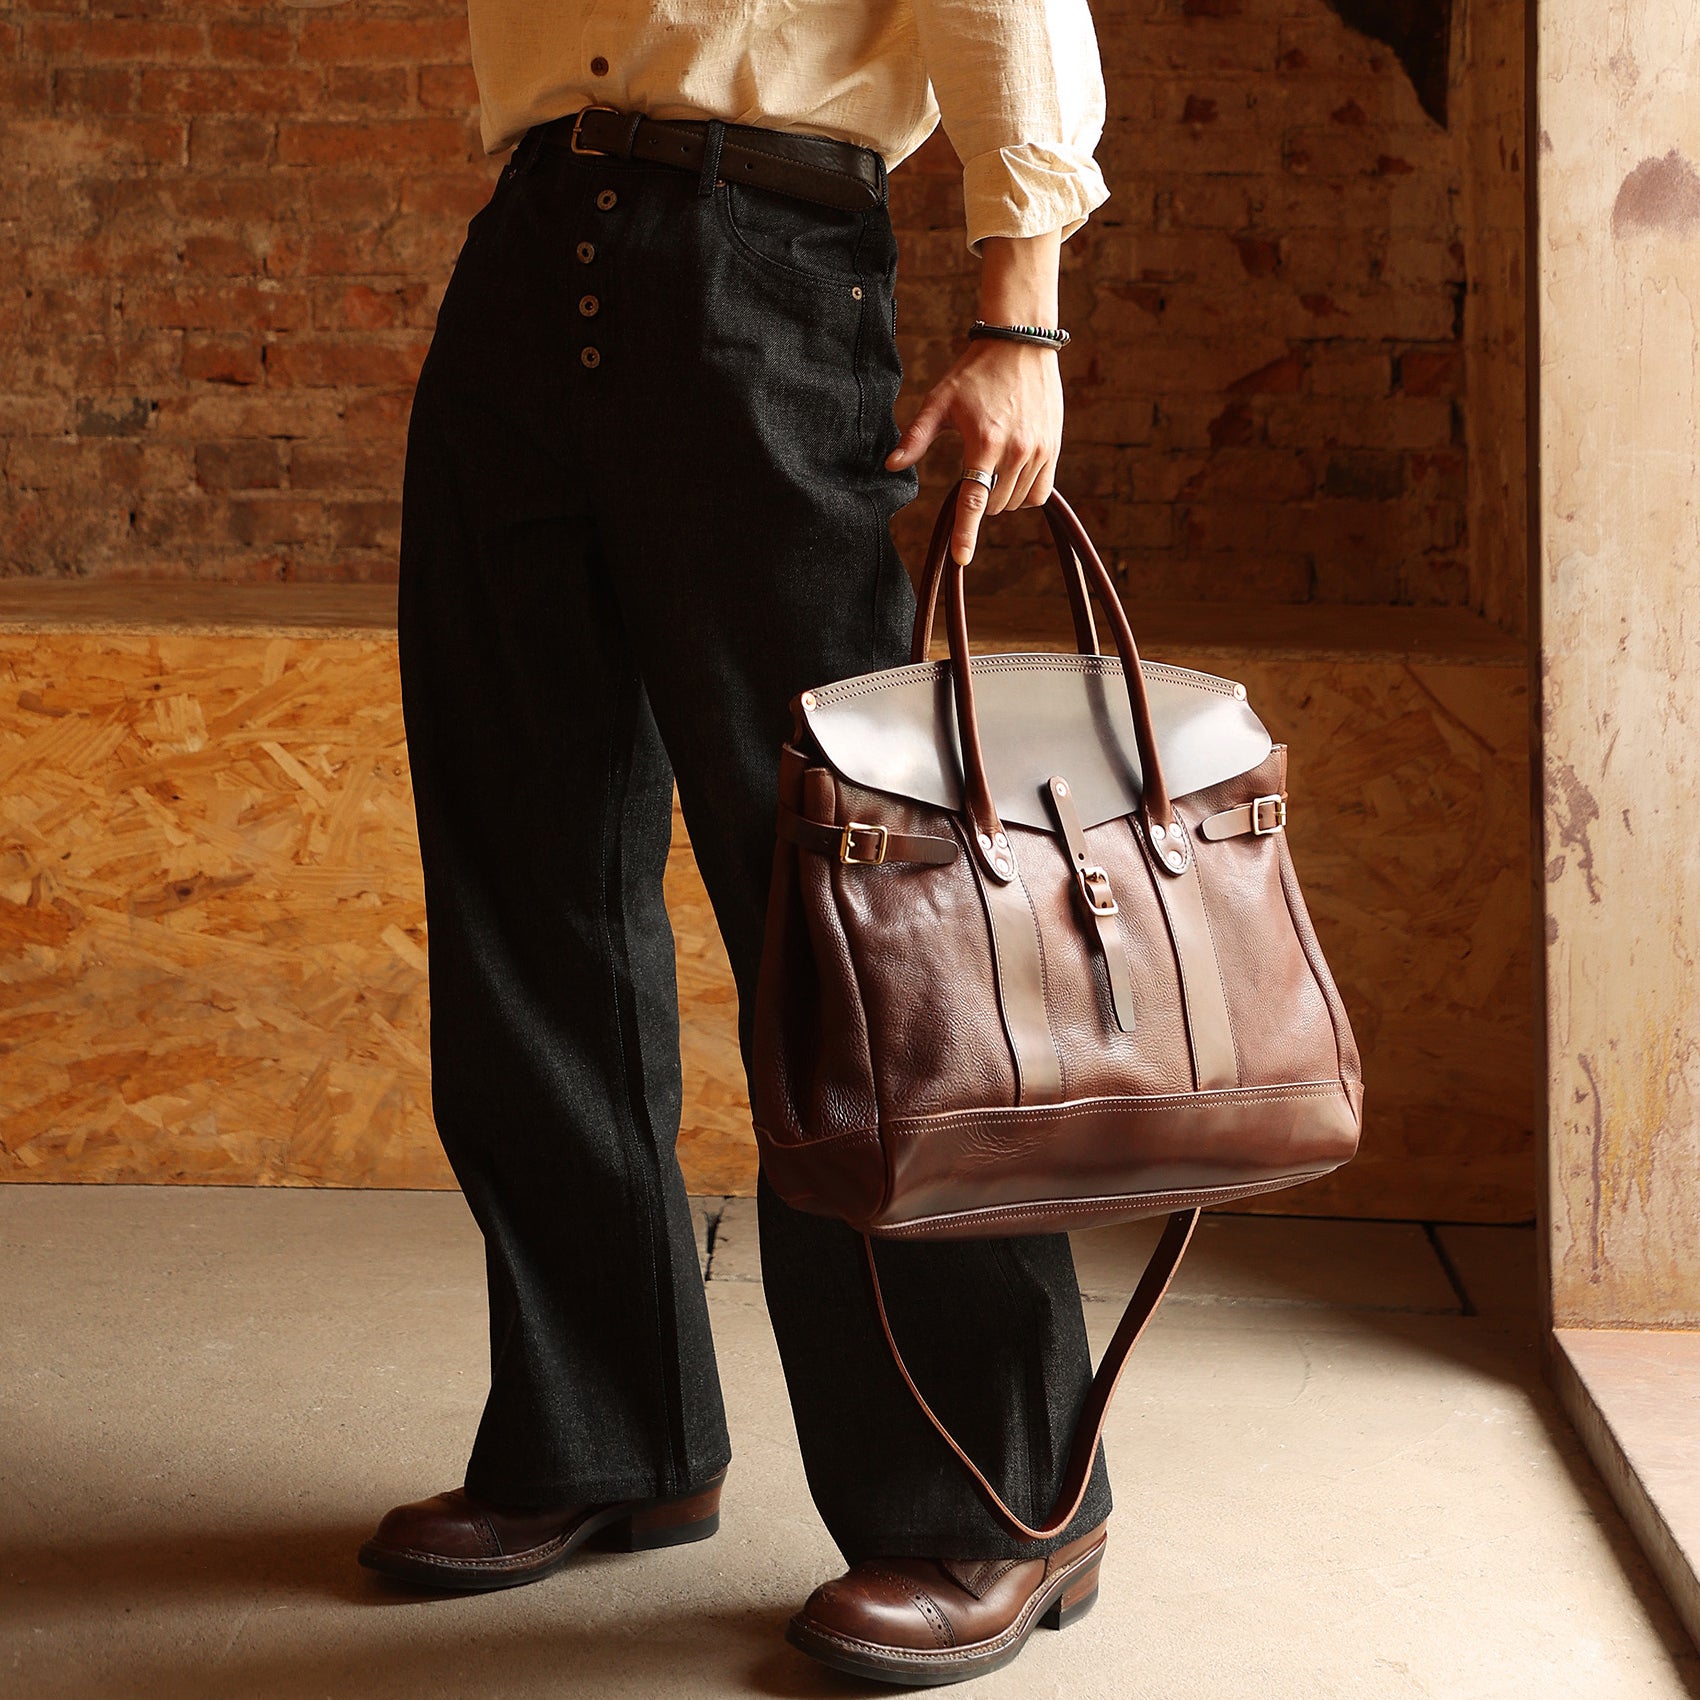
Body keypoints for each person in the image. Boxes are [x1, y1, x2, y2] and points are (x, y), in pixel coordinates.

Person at [356, 0, 1115, 1683]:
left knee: (854, 914)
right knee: (522, 881)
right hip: (531, 245)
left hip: (759, 255)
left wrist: (1024, 322)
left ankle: (997, 1497)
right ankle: (600, 1433)